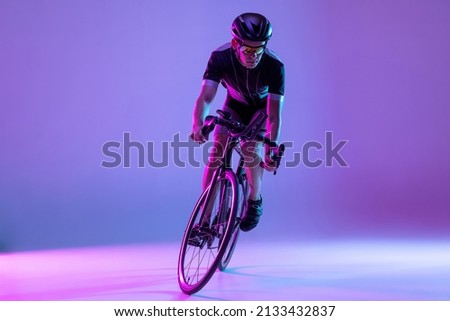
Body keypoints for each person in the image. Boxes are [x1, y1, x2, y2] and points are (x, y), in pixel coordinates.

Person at [191, 12, 285, 232]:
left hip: (261, 111)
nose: (253, 55)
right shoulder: (220, 57)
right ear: (235, 44)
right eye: (248, 49)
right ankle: (204, 219)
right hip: (235, 105)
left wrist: (271, 146)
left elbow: (274, 115)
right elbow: (205, 97)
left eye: (259, 49)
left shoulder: (275, 66)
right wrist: (197, 124)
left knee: (250, 148)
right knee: (217, 152)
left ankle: (254, 199)